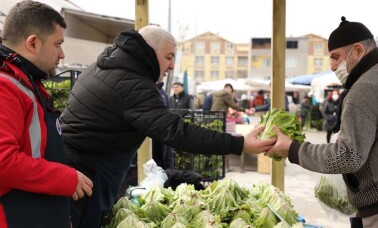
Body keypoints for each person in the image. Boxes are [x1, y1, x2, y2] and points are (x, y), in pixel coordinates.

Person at [60, 25, 276, 228]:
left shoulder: (103, 67)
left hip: (79, 167)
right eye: (169, 56)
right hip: (90, 176)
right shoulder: (132, 84)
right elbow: (177, 132)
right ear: (149, 53)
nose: (172, 65)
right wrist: (239, 143)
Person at [265, 17, 378, 228]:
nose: (333, 67)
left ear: (358, 50)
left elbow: (347, 156)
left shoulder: (365, 88)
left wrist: (293, 149)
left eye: (336, 57)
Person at [0, 1, 93, 228]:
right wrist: (65, 178)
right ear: (33, 42)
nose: (62, 54)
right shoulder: (5, 87)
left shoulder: (27, 82)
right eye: (58, 44)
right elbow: (3, 161)